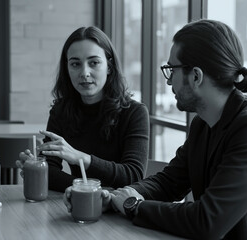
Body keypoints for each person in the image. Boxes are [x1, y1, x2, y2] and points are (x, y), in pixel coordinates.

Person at [67, 19, 247, 239]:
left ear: (196, 76)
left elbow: (208, 221)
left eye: (172, 70)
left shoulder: (245, 129)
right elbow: (169, 182)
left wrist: (134, 206)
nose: (169, 81)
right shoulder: (202, 124)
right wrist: (114, 198)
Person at [17, 26, 150, 192]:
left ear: (109, 67)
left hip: (121, 212)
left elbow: (133, 176)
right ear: (67, 68)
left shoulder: (135, 112)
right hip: (77, 206)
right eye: (75, 64)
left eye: (94, 63)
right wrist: (37, 167)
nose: (84, 72)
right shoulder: (61, 110)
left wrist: (81, 158)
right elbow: (49, 172)